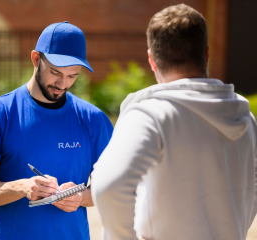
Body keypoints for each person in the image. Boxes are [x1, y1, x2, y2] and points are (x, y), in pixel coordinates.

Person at [91, 4, 257, 240]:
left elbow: (109, 185)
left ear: (152, 60)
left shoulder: (151, 115)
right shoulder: (244, 116)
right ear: (206, 54)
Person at [0, 21, 113, 240]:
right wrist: (22, 187)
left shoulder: (93, 119)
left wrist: (80, 197)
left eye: (73, 76)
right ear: (36, 59)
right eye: (55, 72)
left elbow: (112, 190)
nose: (63, 83)